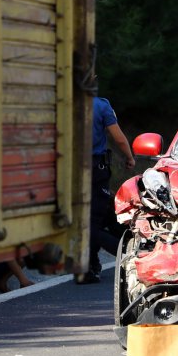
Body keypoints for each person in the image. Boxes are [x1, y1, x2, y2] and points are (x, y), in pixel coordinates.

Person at [78, 96, 135, 284]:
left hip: (67, 170)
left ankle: (86, 264)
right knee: (95, 219)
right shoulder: (100, 105)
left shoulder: (61, 101)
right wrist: (129, 157)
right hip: (95, 168)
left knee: (80, 217)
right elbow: (118, 138)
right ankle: (125, 257)